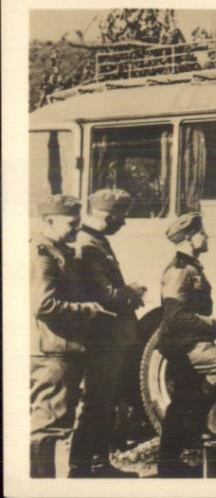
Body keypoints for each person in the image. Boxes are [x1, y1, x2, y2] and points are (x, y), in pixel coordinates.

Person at [30, 195, 114, 478]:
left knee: (57, 424)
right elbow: (43, 304)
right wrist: (86, 309)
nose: (77, 230)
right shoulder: (42, 254)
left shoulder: (60, 251)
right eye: (71, 224)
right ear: (49, 221)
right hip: (53, 352)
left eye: (79, 224)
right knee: (46, 427)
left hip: (64, 350)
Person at [156, 213, 216, 478]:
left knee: (180, 400)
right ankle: (195, 422)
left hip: (188, 341)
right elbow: (175, 316)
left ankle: (168, 463)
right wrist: (209, 324)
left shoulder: (192, 267)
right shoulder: (180, 271)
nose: (207, 237)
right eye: (202, 233)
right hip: (184, 343)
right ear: (189, 239)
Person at [70, 189, 145, 477]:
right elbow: (107, 295)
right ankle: (81, 466)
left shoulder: (96, 241)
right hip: (103, 337)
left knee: (105, 401)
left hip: (110, 336)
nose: (123, 223)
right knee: (97, 402)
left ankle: (98, 463)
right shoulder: (89, 245)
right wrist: (133, 292)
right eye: (120, 217)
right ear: (106, 215)